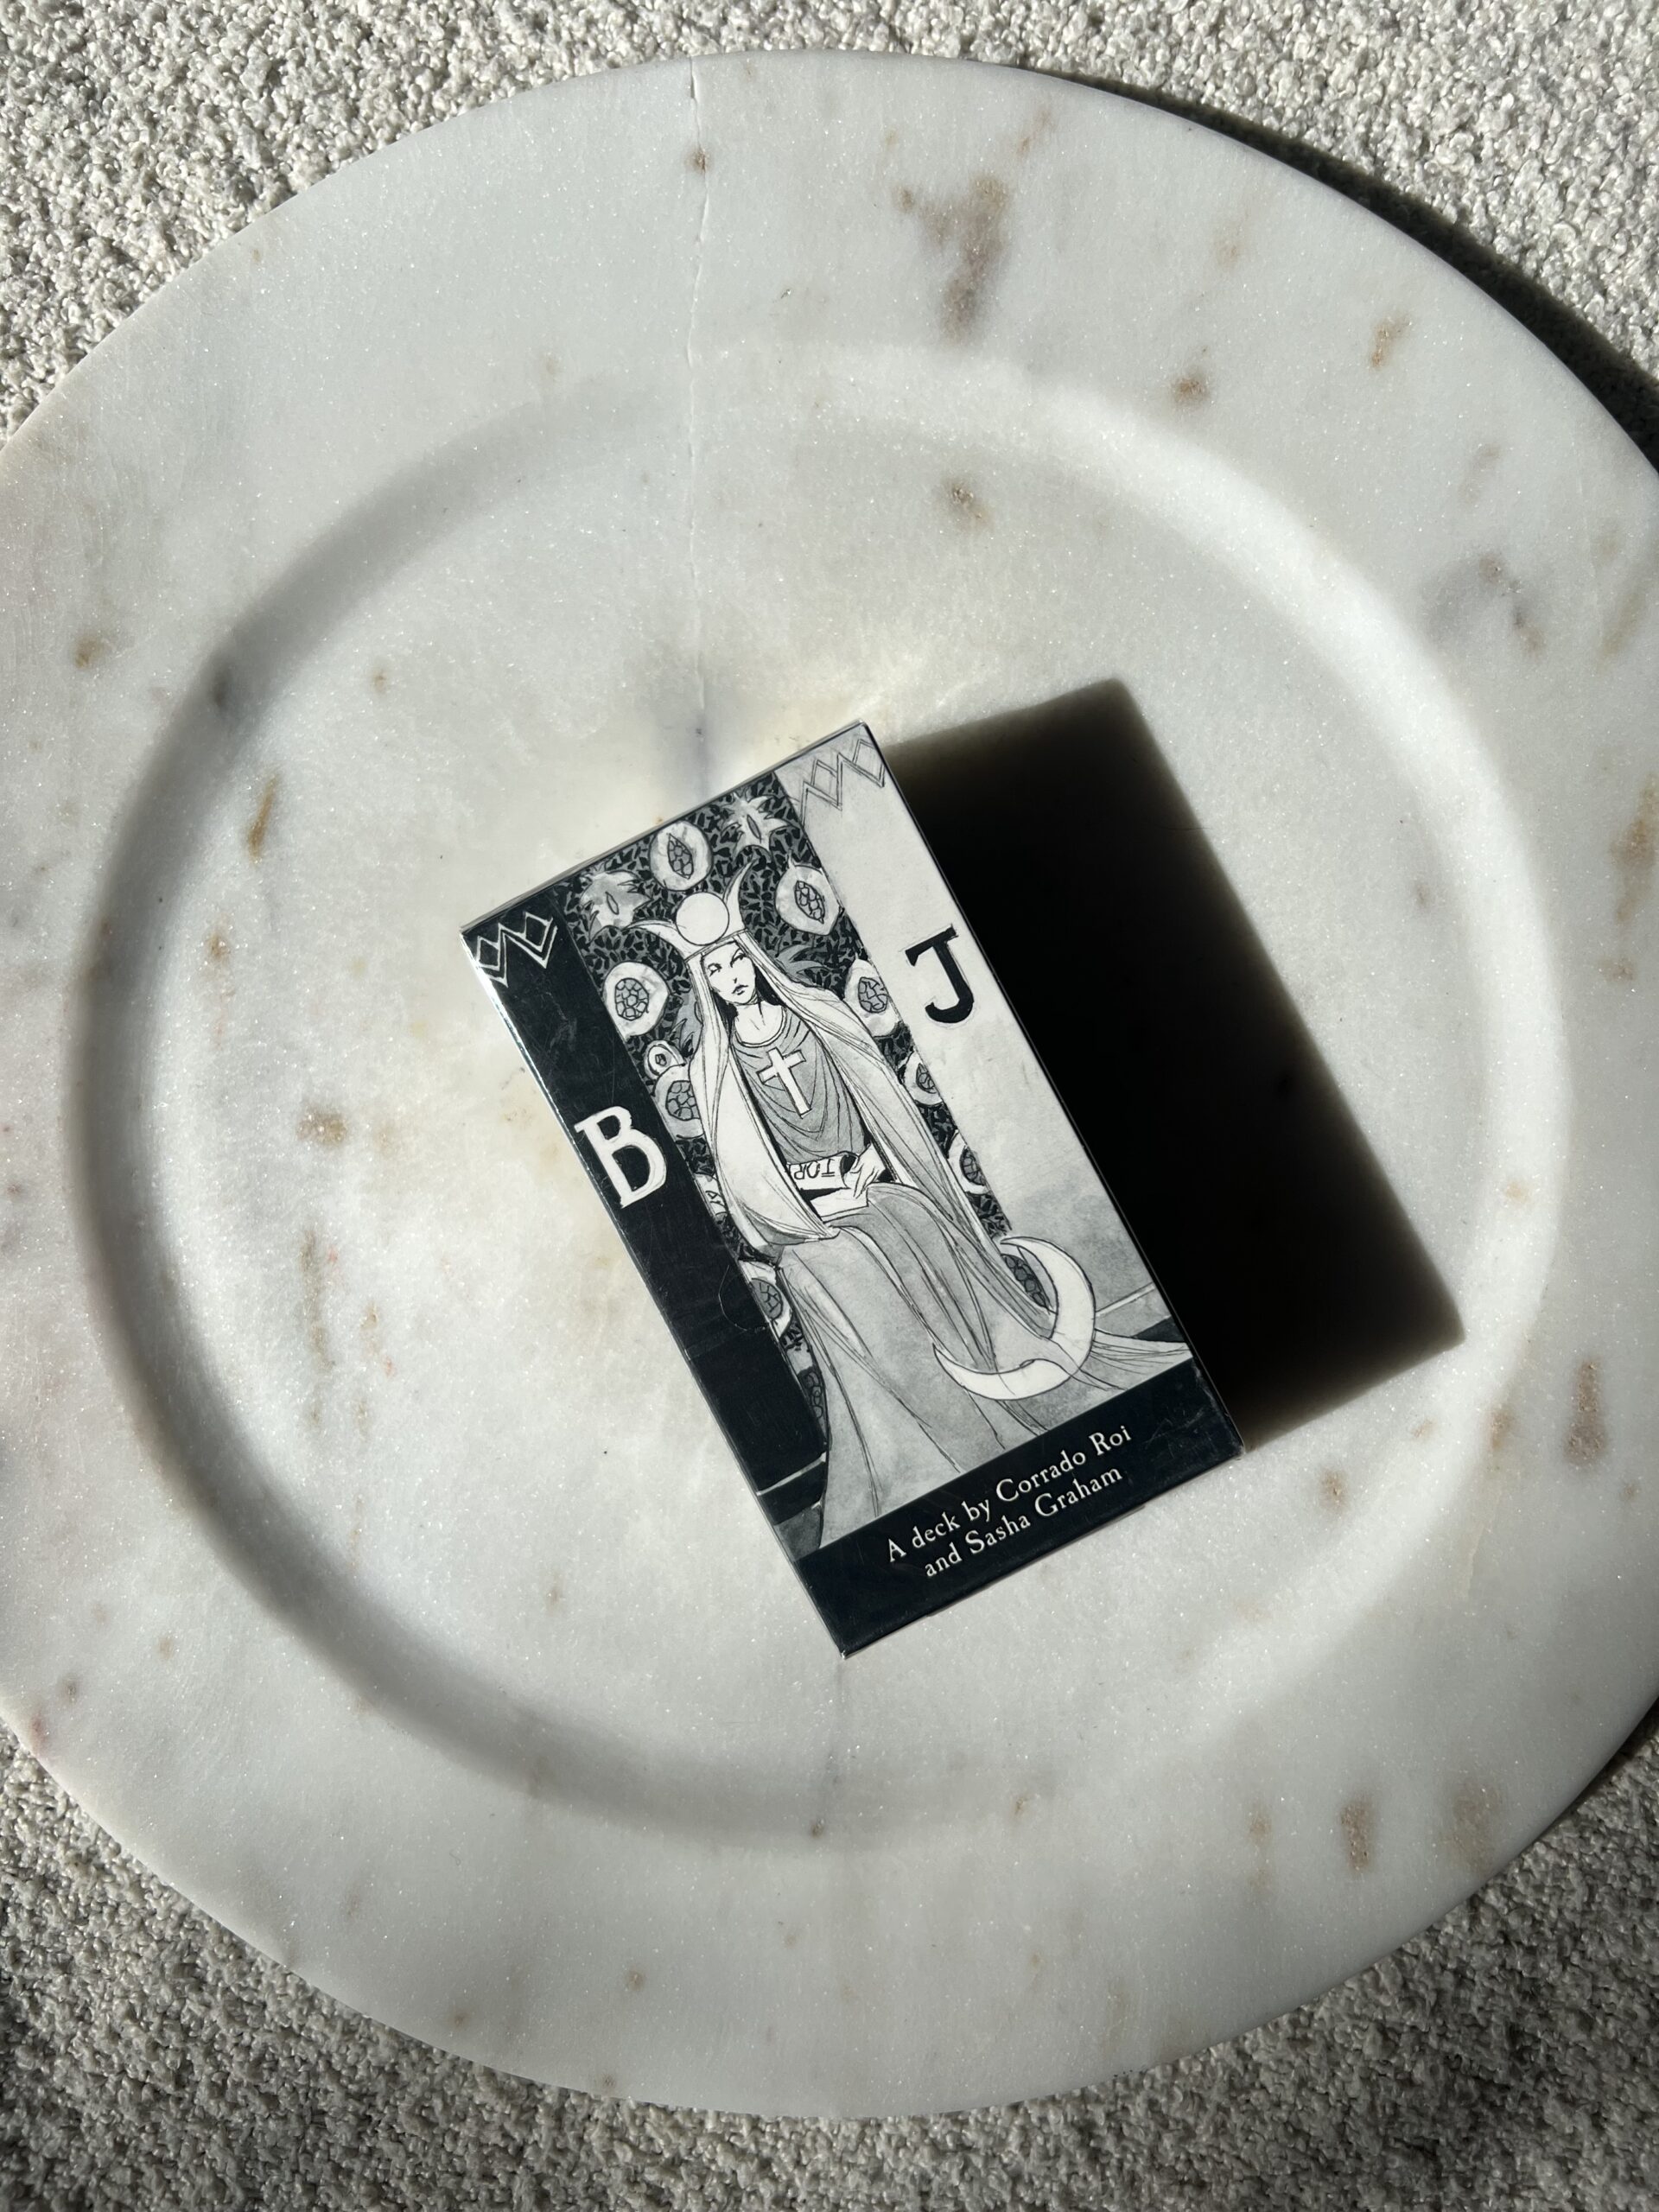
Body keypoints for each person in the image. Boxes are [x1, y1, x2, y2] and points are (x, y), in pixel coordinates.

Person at [644, 873, 1187, 1544]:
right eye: (716, 972)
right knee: (827, 1270)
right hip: (812, 1216)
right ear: (706, 984)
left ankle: (992, 1376)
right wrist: (816, 1196)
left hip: (875, 1182)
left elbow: (879, 1109)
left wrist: (867, 1168)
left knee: (912, 1219)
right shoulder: (717, 1069)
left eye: (736, 962)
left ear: (753, 958)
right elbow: (747, 1173)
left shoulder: (820, 1015)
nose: (732, 979)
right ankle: (923, 1436)